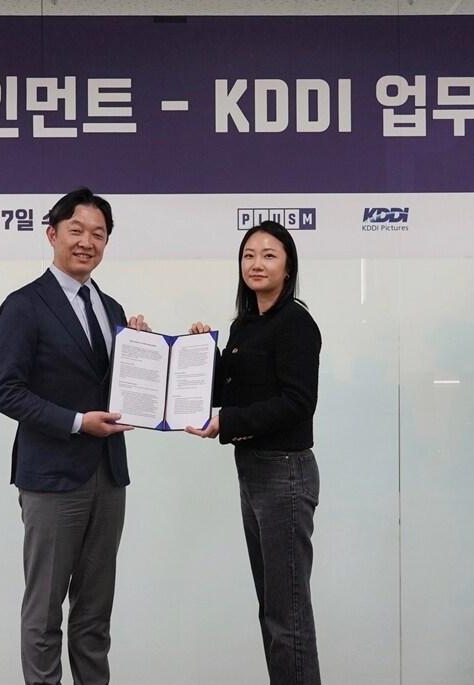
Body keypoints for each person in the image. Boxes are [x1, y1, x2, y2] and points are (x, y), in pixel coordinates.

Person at [0, 187, 150, 685]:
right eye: (76, 230)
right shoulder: (24, 306)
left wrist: (147, 352)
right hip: (52, 478)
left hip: (109, 475)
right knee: (44, 614)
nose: (86, 242)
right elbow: (5, 392)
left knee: (94, 614)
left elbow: (119, 387)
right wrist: (78, 421)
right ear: (51, 234)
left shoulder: (113, 309)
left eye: (98, 234)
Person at [186, 220, 323, 685]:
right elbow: (227, 389)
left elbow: (297, 403)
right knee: (272, 610)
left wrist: (228, 423)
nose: (256, 264)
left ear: (288, 268)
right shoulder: (244, 325)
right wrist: (200, 351)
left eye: (269, 255)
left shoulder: (296, 323)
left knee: (288, 615)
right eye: (248, 255)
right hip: (253, 470)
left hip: (285, 473)